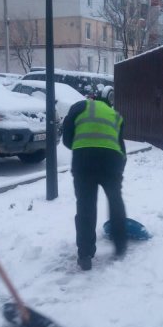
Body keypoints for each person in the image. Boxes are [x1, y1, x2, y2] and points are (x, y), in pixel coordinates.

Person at [62, 92, 127, 270]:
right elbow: (122, 148)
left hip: (84, 159)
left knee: (85, 205)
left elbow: (66, 137)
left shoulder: (80, 106)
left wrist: (81, 145)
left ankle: (85, 254)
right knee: (115, 200)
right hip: (111, 160)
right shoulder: (116, 115)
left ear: (93, 99)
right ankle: (120, 247)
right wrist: (118, 171)